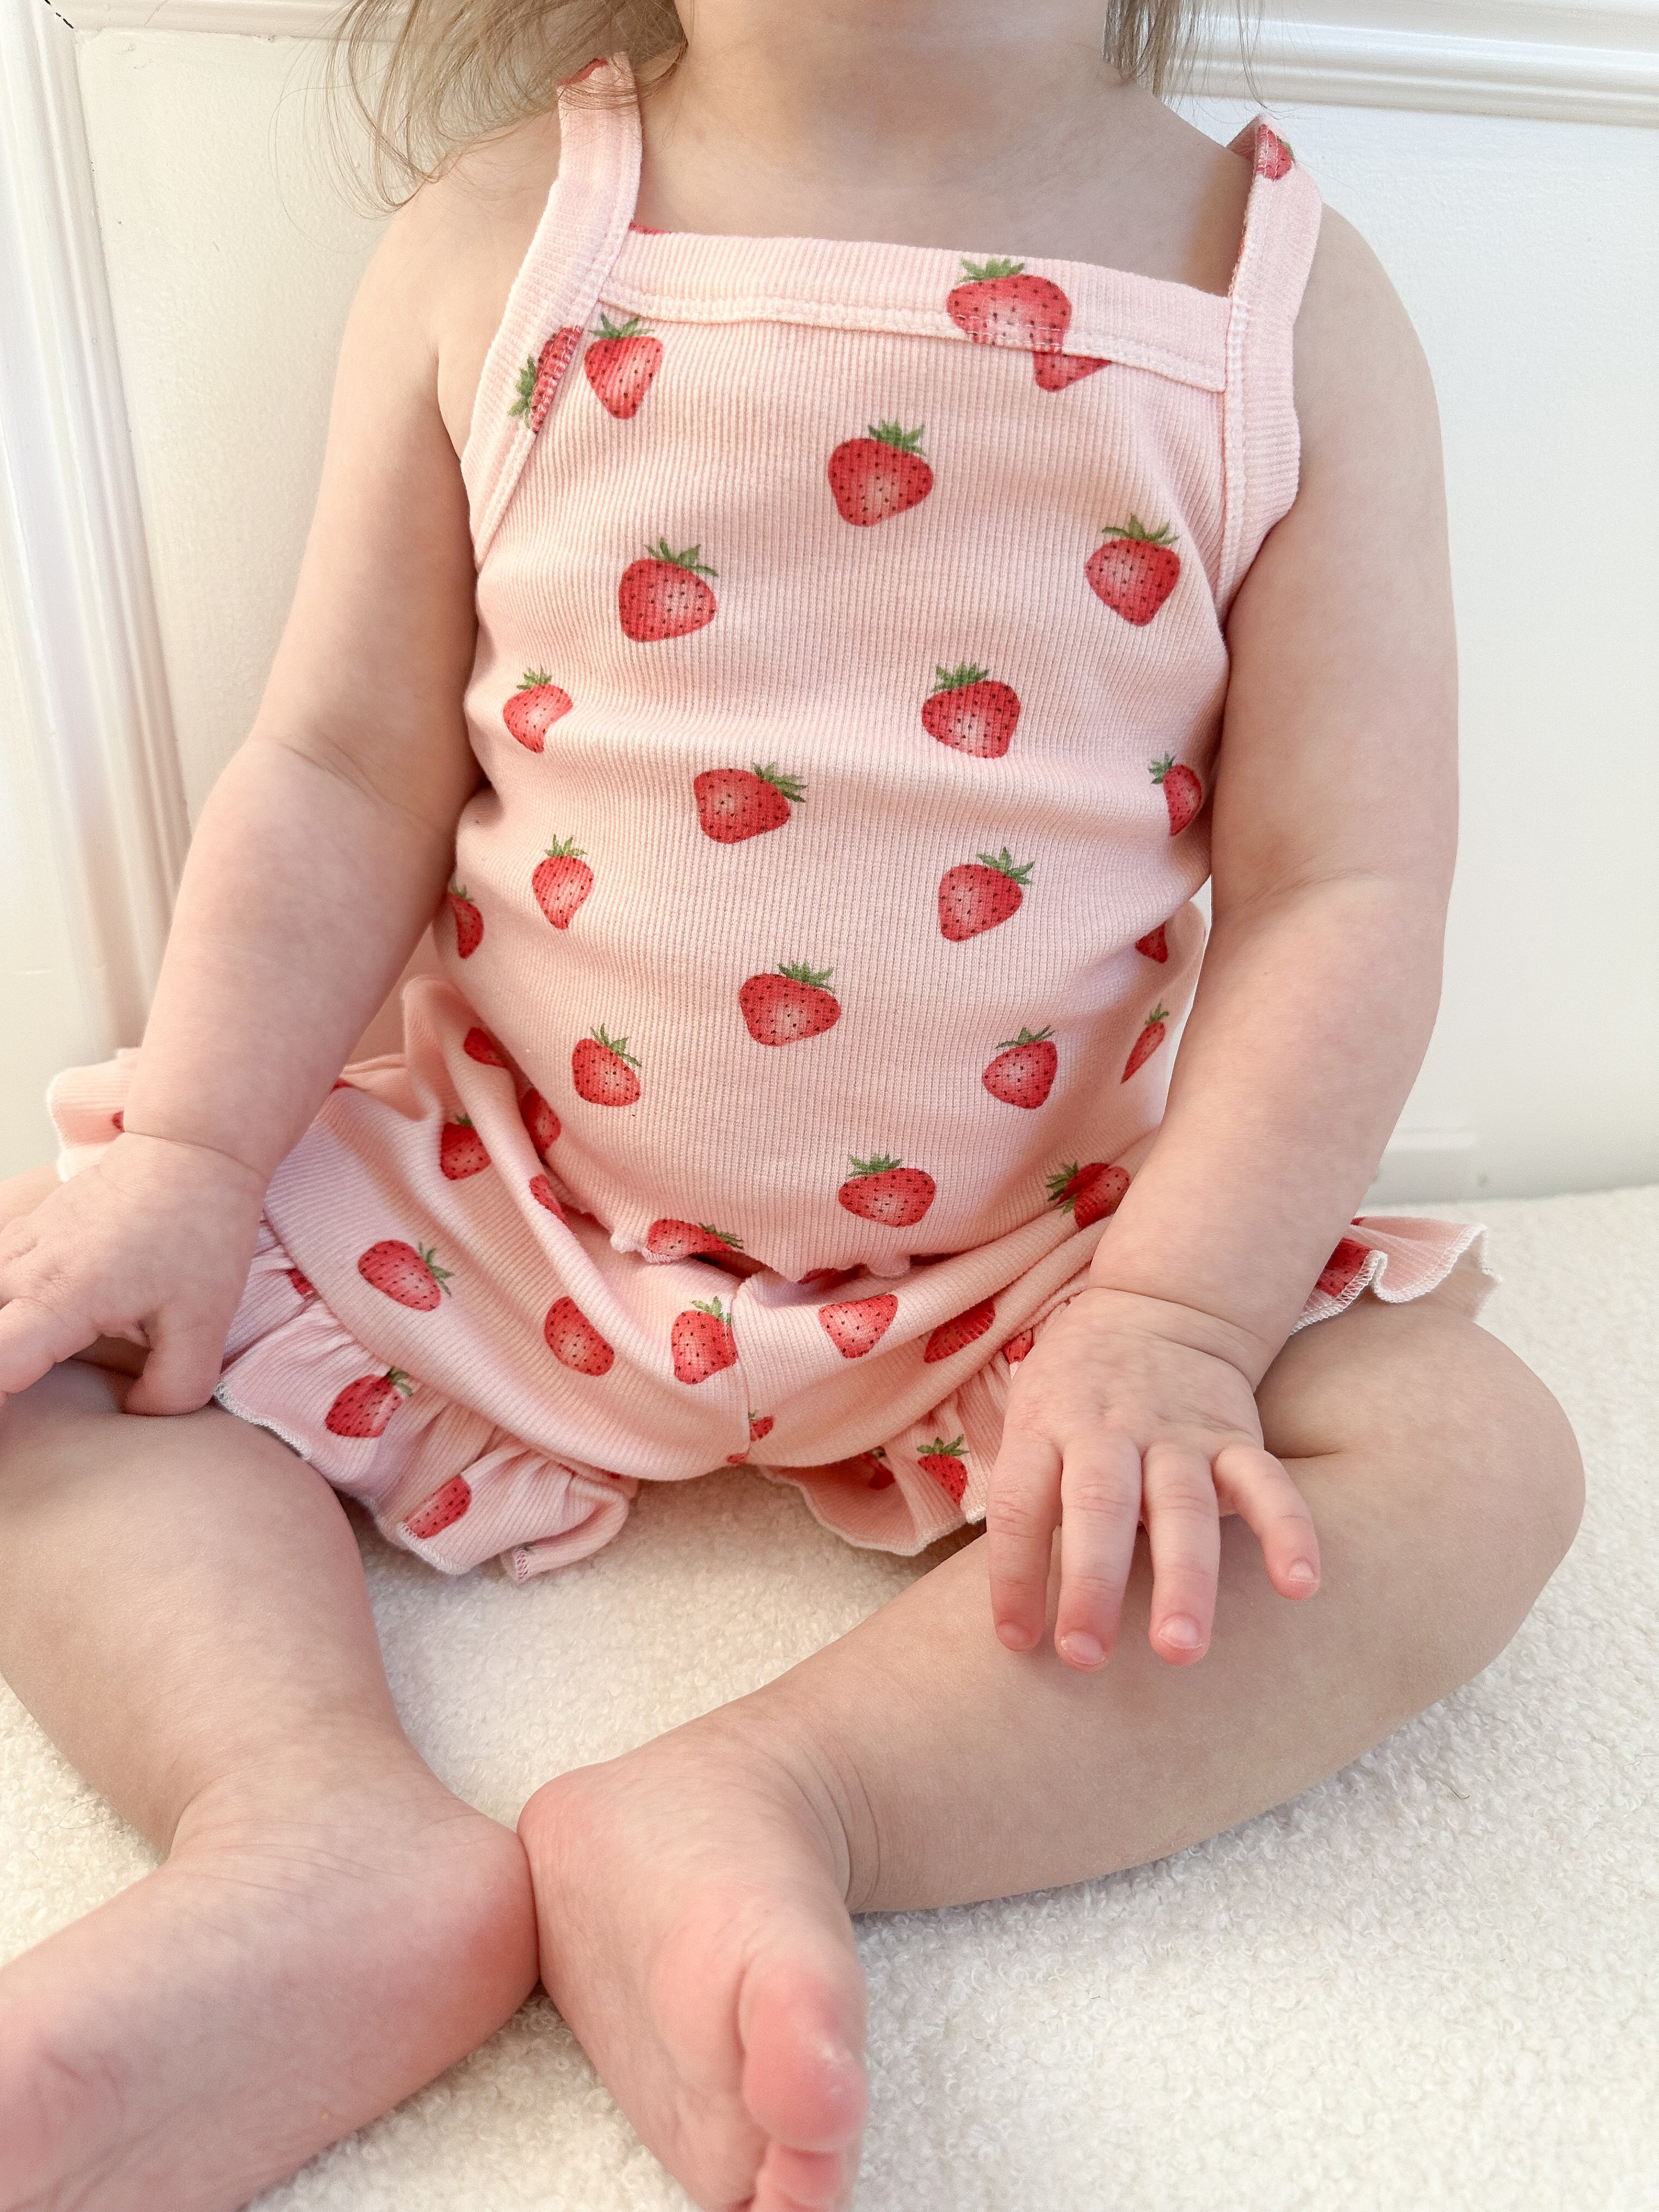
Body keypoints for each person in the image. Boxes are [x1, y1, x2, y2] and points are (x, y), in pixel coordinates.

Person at [0, 4, 1585, 2208]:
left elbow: (1341, 887)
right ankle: (309, 1836)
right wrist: (181, 1156)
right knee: (50, 1335)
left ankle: (780, 1798)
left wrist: (1184, 1323)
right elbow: (346, 770)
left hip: (1044, 1279)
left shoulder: (1275, 300)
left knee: (1471, 1459)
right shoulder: (506, 240)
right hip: (507, 1206)